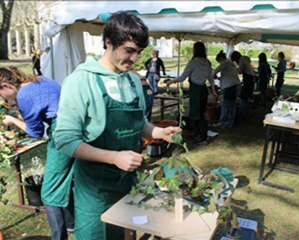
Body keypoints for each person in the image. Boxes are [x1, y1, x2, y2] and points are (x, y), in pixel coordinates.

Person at [53, 11, 181, 240]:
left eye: (139, 52)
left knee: (124, 233)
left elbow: (138, 122)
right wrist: (115, 157)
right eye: (129, 51)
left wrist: (159, 132)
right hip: (96, 189)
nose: (134, 59)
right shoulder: (81, 81)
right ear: (108, 42)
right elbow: (65, 140)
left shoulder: (132, 80)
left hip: (127, 183)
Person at [0, 67, 74, 240]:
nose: (6, 101)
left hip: (63, 133)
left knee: (48, 193)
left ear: (5, 86)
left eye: (2, 96)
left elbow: (36, 132)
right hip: (75, 125)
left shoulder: (24, 96)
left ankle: (59, 237)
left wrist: (12, 120)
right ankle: (71, 226)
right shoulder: (40, 79)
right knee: (66, 181)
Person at [166, 41, 216, 145]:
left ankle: (202, 138)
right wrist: (214, 91)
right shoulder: (207, 62)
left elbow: (183, 77)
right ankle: (199, 135)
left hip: (196, 90)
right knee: (201, 113)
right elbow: (211, 79)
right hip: (203, 90)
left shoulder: (193, 62)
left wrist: (171, 81)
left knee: (196, 115)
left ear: (195, 50)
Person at [212, 51, 240, 128]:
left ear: (221, 59)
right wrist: (218, 78)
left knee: (225, 105)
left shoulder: (225, 63)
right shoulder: (231, 64)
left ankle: (223, 122)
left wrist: (212, 76)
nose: (219, 63)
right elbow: (228, 76)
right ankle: (230, 122)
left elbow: (215, 71)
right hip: (233, 86)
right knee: (231, 105)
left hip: (229, 87)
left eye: (219, 61)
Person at [231, 51, 256, 119]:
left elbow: (240, 71)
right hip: (251, 79)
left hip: (248, 80)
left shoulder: (241, 59)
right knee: (246, 97)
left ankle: (242, 114)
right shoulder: (245, 58)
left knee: (243, 97)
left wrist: (234, 68)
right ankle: (245, 113)